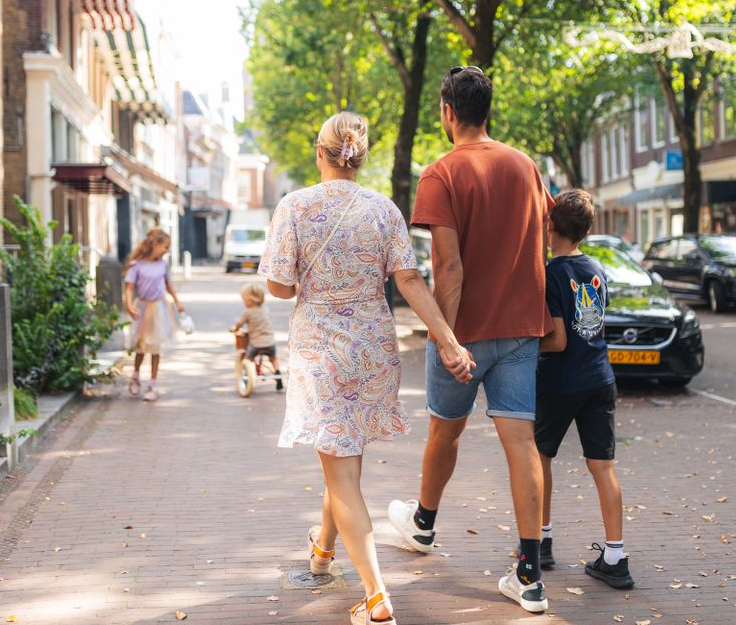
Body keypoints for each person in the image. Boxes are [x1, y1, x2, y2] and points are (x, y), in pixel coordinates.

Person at [259, 111, 473, 625]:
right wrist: (448, 340)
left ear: (320, 151)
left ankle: (377, 596)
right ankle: (324, 548)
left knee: (341, 470)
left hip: (321, 350)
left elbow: (279, 288)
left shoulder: (294, 206)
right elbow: (410, 281)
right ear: (361, 156)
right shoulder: (384, 209)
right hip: (373, 347)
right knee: (344, 460)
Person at [386, 66, 555, 614]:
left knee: (445, 431)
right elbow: (542, 239)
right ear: (489, 110)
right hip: (521, 331)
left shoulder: (441, 174)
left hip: (466, 331)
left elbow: (449, 268)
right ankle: (529, 575)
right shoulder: (525, 166)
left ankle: (424, 525)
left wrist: (448, 340)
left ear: (447, 112)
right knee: (521, 443)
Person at [536, 189, 634, 589]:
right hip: (599, 378)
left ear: (550, 226)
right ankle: (616, 556)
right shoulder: (596, 268)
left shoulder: (550, 274)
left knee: (540, 458)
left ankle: (540, 541)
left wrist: (526, 343)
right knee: (603, 467)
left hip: (561, 381)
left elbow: (558, 341)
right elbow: (592, 325)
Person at [123, 228, 184, 402]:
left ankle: (153, 384)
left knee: (155, 348)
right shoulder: (136, 265)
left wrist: (177, 301)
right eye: (165, 246)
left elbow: (168, 284)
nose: (166, 250)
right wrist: (128, 305)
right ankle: (135, 376)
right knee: (141, 346)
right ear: (155, 244)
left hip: (158, 308)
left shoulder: (163, 265)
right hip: (142, 308)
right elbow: (129, 287)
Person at [229, 283, 283, 391]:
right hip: (270, 343)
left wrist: (234, 328)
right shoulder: (265, 309)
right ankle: (278, 375)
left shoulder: (247, 312)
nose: (243, 302)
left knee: (247, 359)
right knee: (273, 358)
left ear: (251, 299)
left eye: (244, 299)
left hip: (256, 344)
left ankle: (246, 376)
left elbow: (239, 324)